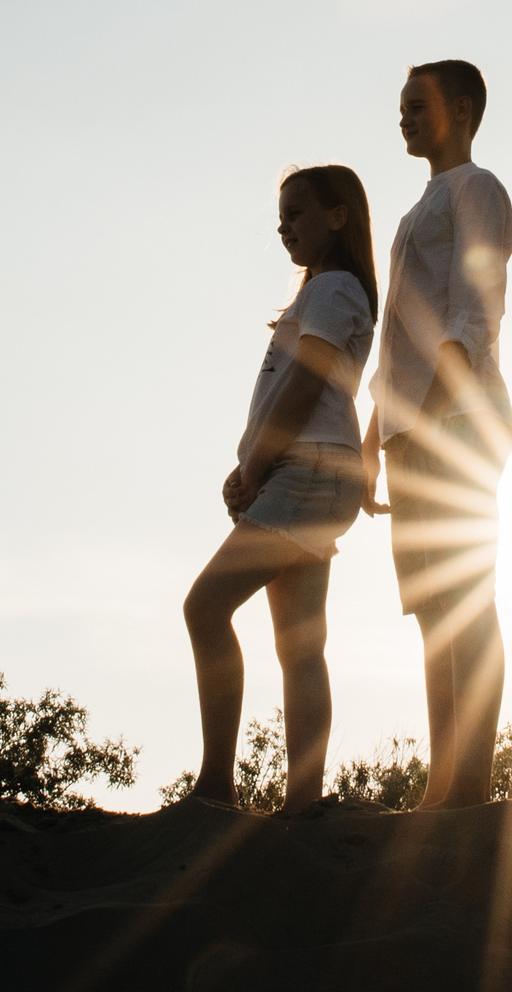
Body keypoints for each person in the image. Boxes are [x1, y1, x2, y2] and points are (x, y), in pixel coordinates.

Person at [181, 164, 379, 813]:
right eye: (282, 214)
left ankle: (216, 784)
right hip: (316, 476)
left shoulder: (333, 288)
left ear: (337, 215)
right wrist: (252, 465)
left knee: (205, 608)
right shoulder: (322, 292)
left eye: (296, 211)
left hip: (308, 473)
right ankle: (303, 801)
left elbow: (301, 390)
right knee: (300, 644)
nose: (283, 224)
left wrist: (255, 468)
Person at [358, 60, 512, 811]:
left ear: (460, 107)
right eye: (399, 107)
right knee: (430, 607)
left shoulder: (475, 188)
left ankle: (470, 782)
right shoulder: (417, 205)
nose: (404, 117)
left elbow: (474, 306)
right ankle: (442, 779)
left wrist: (441, 412)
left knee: (465, 598)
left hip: (453, 418)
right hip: (408, 426)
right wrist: (374, 440)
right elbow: (398, 338)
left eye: (415, 104)